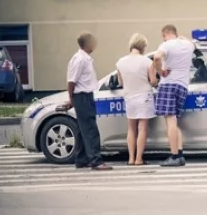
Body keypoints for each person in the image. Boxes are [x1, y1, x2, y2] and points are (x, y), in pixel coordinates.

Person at [58, 32, 112, 171]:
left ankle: (82, 159)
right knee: (90, 129)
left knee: (83, 130)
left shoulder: (85, 58)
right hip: (82, 96)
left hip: (86, 96)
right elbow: (71, 81)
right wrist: (72, 99)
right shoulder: (80, 59)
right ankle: (96, 161)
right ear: (87, 44)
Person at [152, 24, 195, 167]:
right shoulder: (189, 45)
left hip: (168, 84)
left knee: (170, 120)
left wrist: (160, 71)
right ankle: (180, 154)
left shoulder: (166, 45)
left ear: (164, 34)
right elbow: (190, 42)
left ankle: (174, 155)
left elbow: (157, 57)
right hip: (183, 85)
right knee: (175, 120)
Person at [116, 33, 158, 166]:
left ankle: (130, 158)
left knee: (131, 129)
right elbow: (153, 81)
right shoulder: (147, 62)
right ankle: (139, 159)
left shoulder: (120, 62)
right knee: (142, 128)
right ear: (143, 46)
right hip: (144, 97)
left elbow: (120, 82)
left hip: (129, 97)